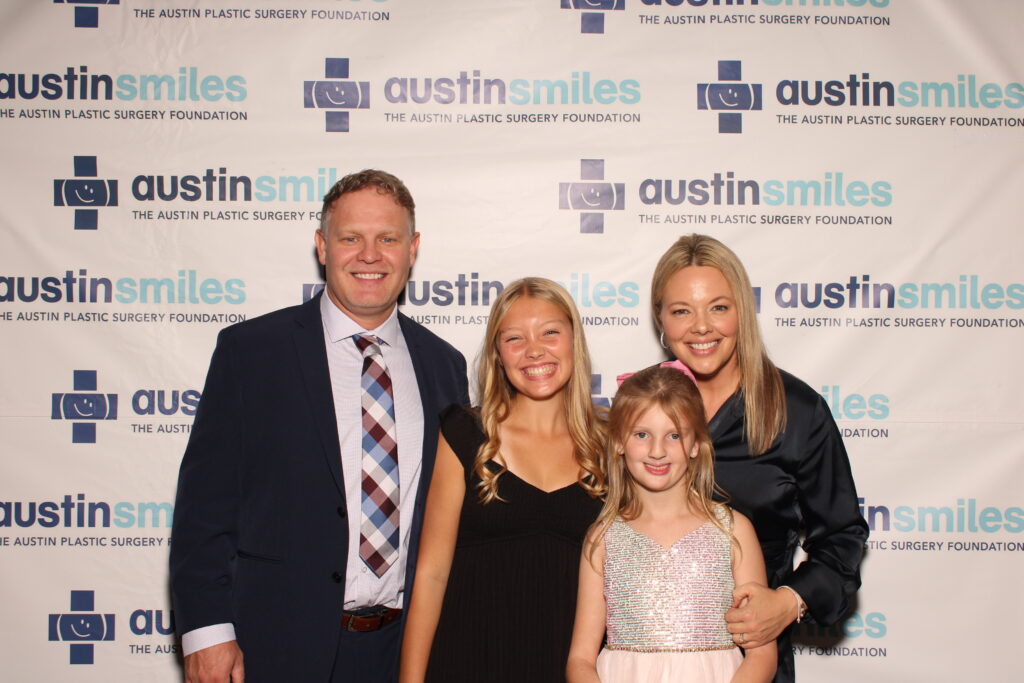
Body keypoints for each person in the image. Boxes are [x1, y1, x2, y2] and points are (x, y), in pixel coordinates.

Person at [169, 169, 469, 683]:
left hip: (408, 652)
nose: (369, 255)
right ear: (322, 246)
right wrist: (206, 632)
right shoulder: (252, 353)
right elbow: (204, 507)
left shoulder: (444, 365)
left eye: (388, 239)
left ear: (413, 249)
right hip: (276, 645)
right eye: (351, 237)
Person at [648, 234, 869, 682]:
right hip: (646, 652)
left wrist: (788, 601)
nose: (701, 327)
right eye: (681, 311)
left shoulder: (797, 410)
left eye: (719, 307)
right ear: (661, 321)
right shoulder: (642, 405)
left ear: (742, 313)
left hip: (753, 661)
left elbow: (843, 537)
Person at [399, 277, 606, 683]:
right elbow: (431, 573)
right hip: (468, 659)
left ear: (573, 341)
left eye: (550, 332)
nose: (534, 350)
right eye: (514, 338)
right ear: (497, 354)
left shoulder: (614, 443)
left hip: (574, 667)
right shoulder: (464, 433)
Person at [567, 364, 776, 683]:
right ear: (620, 442)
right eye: (641, 434)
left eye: (674, 435)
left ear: (696, 444)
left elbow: (762, 654)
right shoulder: (602, 539)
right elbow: (581, 659)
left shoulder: (733, 531)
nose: (657, 451)